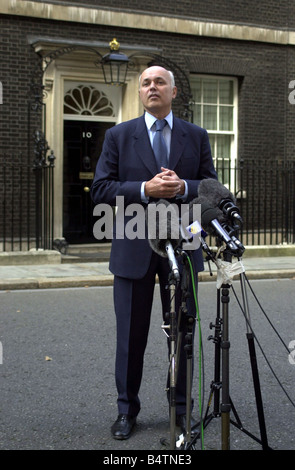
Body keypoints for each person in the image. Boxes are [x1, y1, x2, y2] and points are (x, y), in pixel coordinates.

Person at [90, 65, 217, 440]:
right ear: (140, 93)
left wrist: (182, 187)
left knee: (182, 334)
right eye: (145, 83)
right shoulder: (118, 135)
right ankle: (126, 411)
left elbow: (210, 186)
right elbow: (100, 189)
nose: (152, 87)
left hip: (182, 249)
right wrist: (145, 189)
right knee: (130, 337)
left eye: (159, 82)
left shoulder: (196, 135)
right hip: (133, 250)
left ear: (173, 92)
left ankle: (181, 410)